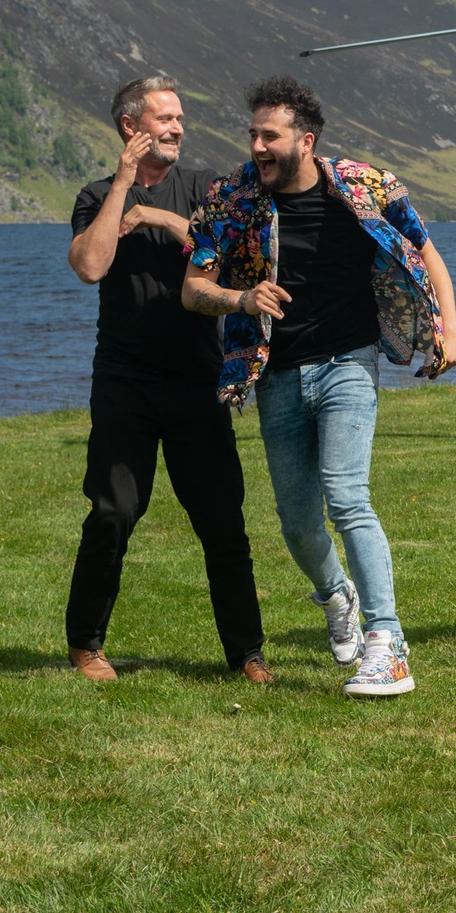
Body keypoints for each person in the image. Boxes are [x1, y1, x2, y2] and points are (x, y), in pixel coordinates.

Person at [182, 75, 456, 698]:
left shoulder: (366, 188)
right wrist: (241, 295)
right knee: (297, 520)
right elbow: (192, 288)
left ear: (305, 140)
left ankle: (387, 644)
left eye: (269, 134)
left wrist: (451, 328)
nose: (257, 145)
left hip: (348, 364)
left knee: (347, 495)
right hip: (275, 373)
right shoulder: (231, 200)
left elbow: (427, 252)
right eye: (252, 133)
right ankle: (338, 593)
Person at [64, 76, 269, 684]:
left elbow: (224, 257)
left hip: (195, 382)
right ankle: (86, 645)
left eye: (180, 118)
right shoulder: (95, 194)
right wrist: (123, 190)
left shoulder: (204, 189)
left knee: (221, 520)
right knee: (112, 512)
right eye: (165, 118)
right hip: (125, 381)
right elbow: (91, 265)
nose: (178, 127)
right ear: (131, 127)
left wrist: (152, 214)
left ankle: (247, 654)